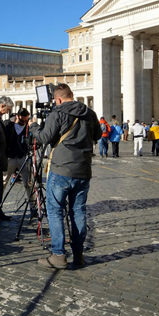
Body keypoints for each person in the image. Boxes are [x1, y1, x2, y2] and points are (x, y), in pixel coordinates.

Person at [29, 83, 101, 269]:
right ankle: (78, 255)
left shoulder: (57, 113)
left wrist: (34, 126)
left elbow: (45, 137)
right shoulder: (90, 113)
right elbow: (98, 135)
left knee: (55, 211)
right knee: (78, 211)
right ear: (73, 95)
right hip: (83, 169)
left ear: (58, 100)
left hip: (61, 168)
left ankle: (58, 255)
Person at [3, 108, 34, 210]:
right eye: (22, 121)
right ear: (17, 117)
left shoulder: (29, 128)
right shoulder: (9, 126)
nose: (23, 123)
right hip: (10, 158)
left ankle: (33, 207)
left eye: (25, 121)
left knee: (29, 183)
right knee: (3, 182)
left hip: (24, 158)